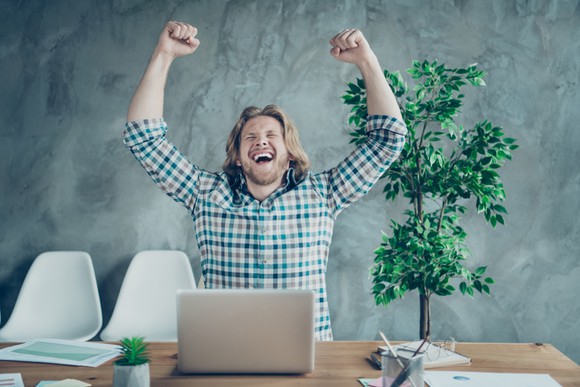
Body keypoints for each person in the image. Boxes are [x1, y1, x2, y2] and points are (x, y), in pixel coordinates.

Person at [123, 21, 407, 341]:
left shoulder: (325, 193)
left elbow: (388, 140)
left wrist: (366, 61)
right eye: (251, 137)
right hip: (225, 352)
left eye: (272, 135)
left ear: (289, 154)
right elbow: (144, 139)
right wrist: (164, 53)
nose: (261, 141)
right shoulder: (205, 193)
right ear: (239, 156)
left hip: (307, 353)